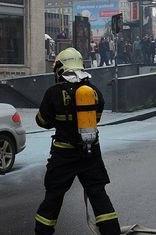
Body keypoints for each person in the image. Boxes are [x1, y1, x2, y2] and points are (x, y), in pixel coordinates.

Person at [34, 48, 121, 235]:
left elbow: (42, 121)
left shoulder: (53, 92)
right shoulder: (93, 91)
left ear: (60, 68)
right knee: (98, 194)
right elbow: (95, 118)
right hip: (90, 151)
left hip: (63, 154)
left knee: (53, 197)